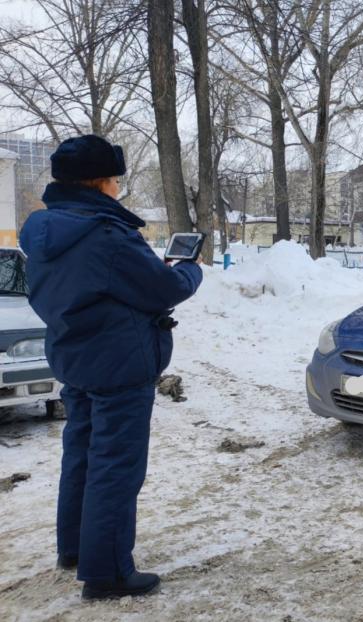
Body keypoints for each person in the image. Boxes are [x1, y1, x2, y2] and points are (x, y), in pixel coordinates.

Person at [19, 135, 203, 599]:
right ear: (101, 183)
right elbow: (162, 288)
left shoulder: (41, 230)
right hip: (120, 364)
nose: (117, 189)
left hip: (73, 357)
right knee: (116, 466)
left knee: (80, 454)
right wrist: (189, 269)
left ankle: (76, 550)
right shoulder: (106, 235)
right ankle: (108, 573)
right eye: (115, 181)